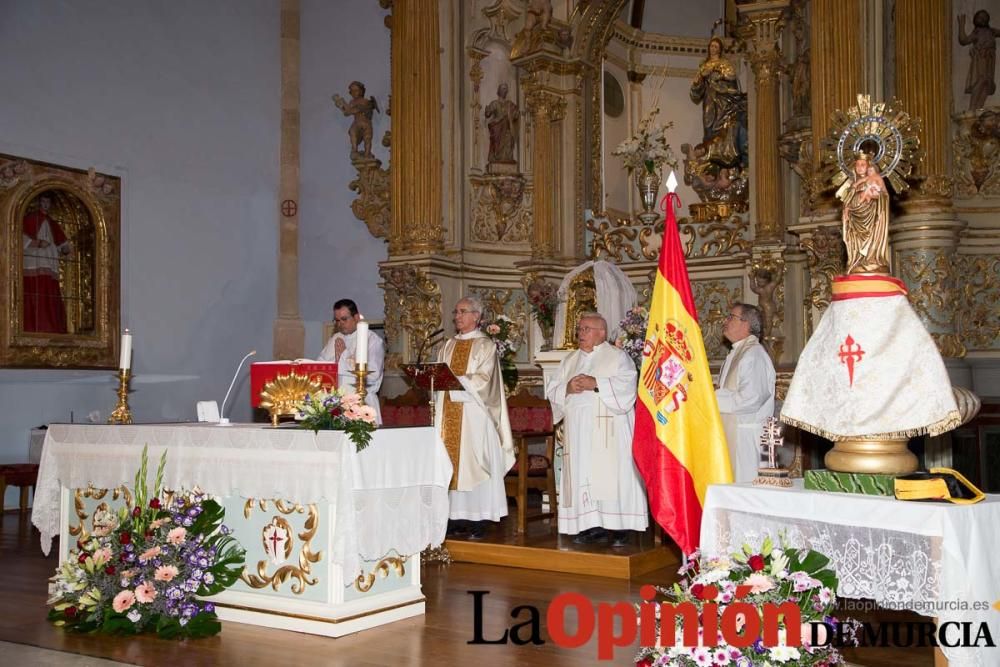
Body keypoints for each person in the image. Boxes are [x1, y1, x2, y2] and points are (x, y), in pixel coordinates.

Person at [545, 313, 648, 547]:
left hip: (609, 428)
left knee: (613, 474)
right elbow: (553, 390)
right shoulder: (569, 360)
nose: (580, 333)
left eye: (586, 329)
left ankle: (620, 527)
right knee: (584, 475)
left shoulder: (618, 357)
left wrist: (596, 384)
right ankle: (591, 525)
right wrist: (568, 387)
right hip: (579, 430)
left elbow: (628, 386)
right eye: (580, 329)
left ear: (602, 332)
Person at [436, 296, 515, 540]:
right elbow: (438, 372)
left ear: (476, 316)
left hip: (474, 415)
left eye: (462, 312)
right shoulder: (447, 345)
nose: (457, 316)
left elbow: (485, 380)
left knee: (474, 463)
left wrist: (457, 379)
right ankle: (454, 516)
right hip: (448, 411)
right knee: (450, 463)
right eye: (456, 312)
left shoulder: (485, 346)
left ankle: (478, 518)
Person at [715, 304, 776, 483]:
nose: (725, 321)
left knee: (747, 494)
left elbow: (751, 399)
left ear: (746, 324)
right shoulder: (737, 353)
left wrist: (711, 399)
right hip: (736, 435)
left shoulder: (754, 355)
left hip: (748, 441)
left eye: (730, 317)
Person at [318, 299, 384, 424]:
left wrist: (343, 355)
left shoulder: (372, 340)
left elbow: (373, 375)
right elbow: (322, 365)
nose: (340, 324)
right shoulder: (335, 338)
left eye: (344, 319)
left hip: (362, 404)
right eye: (337, 320)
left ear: (357, 317)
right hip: (337, 405)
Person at [689, 37, 748, 170]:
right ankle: (710, 144)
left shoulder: (724, 63)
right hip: (710, 97)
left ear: (720, 49)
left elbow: (731, 76)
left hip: (723, 98)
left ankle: (721, 150)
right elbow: (696, 87)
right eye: (711, 46)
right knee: (709, 121)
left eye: (716, 46)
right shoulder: (704, 65)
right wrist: (701, 77)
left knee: (725, 123)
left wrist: (719, 72)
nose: (713, 49)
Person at [22, 193, 72, 333]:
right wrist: (37, 243)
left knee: (49, 294)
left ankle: (52, 327)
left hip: (50, 263)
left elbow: (62, 242)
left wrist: (66, 249)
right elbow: (18, 237)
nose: (45, 205)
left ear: (50, 205)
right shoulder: (29, 219)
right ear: (39, 202)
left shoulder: (52, 222)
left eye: (48, 202)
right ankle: (32, 328)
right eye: (43, 201)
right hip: (33, 261)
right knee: (35, 292)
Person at [841, 152, 890, 275]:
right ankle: (856, 260)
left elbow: (884, 195)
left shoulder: (875, 178)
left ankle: (872, 259)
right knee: (854, 239)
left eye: (863, 164)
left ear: (869, 166)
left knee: (872, 238)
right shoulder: (853, 184)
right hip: (855, 217)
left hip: (872, 215)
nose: (860, 167)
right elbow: (847, 200)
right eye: (857, 165)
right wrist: (846, 209)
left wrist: (875, 196)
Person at [958, 10, 1000, 111]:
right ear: (975, 20)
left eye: (985, 17)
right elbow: (963, 40)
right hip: (980, 58)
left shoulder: (992, 31)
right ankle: (972, 107)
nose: (983, 19)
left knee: (987, 82)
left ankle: (979, 108)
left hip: (990, 59)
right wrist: (961, 24)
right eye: (980, 17)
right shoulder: (976, 32)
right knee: (980, 80)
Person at [332, 81, 379, 159]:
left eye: (356, 90)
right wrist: (341, 105)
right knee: (352, 132)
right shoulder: (352, 102)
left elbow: (357, 110)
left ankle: (367, 153)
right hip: (356, 122)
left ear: (361, 91)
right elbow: (347, 113)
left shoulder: (365, 101)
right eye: (352, 91)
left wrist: (347, 108)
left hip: (365, 122)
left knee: (367, 138)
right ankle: (354, 150)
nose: (354, 93)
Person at [484, 82, 519, 169]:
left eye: (506, 89)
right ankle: (497, 157)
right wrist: (487, 111)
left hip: (507, 129)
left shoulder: (509, 104)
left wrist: (515, 113)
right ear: (499, 91)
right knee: (497, 144)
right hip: (498, 128)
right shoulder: (495, 103)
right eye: (503, 88)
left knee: (508, 142)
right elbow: (488, 114)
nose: (505, 90)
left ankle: (507, 159)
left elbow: (516, 115)